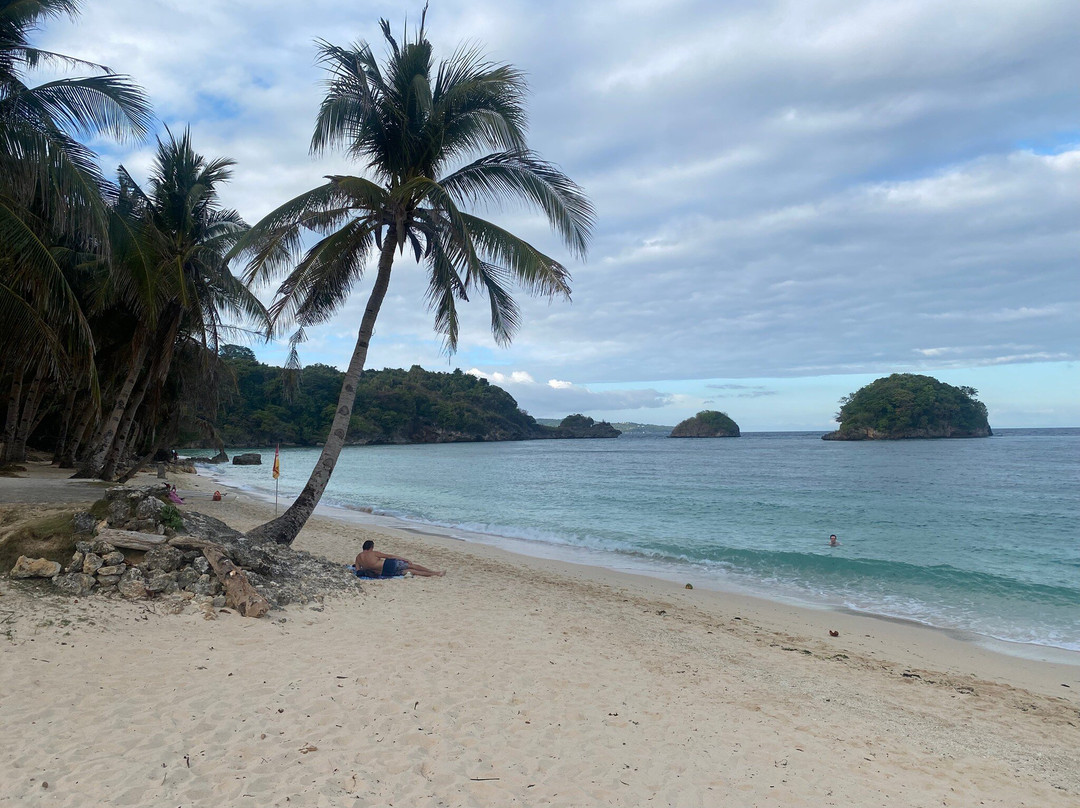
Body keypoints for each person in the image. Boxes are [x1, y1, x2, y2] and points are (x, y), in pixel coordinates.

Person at [354, 540, 445, 578]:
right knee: (412, 566)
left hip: (385, 573)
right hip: (389, 565)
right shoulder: (373, 553)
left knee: (412, 571)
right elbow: (389, 556)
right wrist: (404, 559)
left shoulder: (358, 557)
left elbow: (358, 571)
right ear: (371, 547)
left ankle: (435, 574)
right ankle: (435, 572)